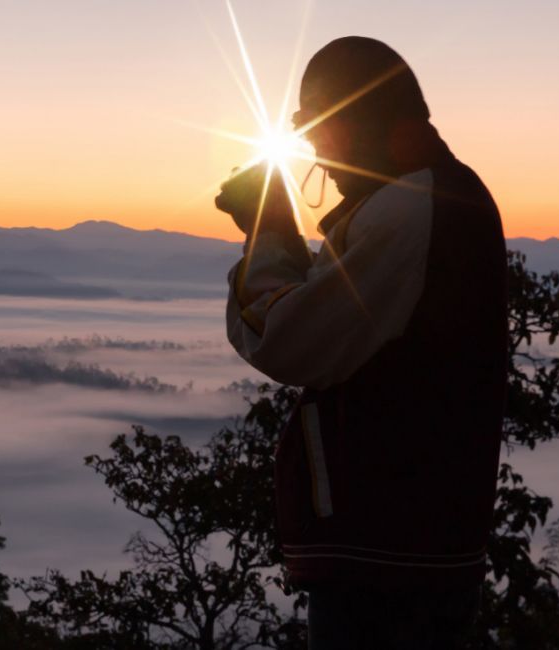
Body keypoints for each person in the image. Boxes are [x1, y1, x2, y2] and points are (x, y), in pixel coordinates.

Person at [215, 37, 508, 649]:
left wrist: (267, 229)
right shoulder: (419, 197)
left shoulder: (409, 208)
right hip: (408, 550)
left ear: (356, 118)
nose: (315, 149)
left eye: (319, 128)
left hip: (391, 558)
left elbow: (288, 340)